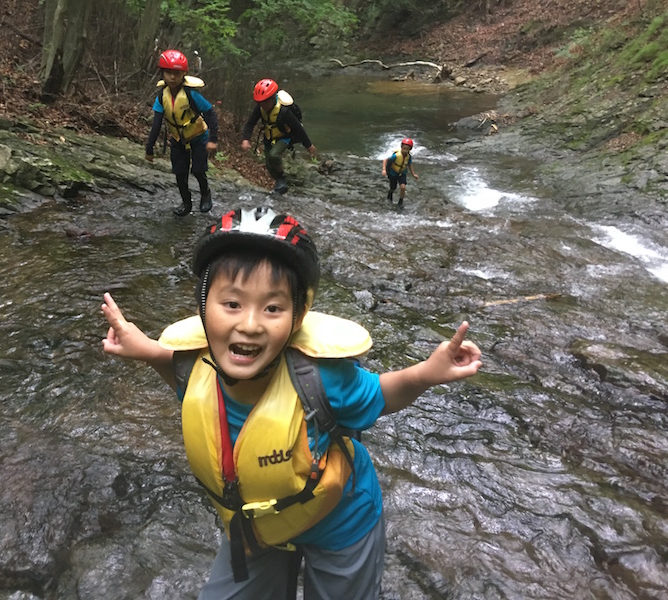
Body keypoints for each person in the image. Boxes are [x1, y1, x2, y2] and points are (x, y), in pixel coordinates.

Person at [101, 207, 482, 599]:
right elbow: (180, 375)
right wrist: (144, 349)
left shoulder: (321, 379)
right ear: (203, 306)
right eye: (231, 304)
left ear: (298, 316)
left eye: (272, 308)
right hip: (258, 528)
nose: (249, 324)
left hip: (341, 522)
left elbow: (382, 395)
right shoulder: (192, 365)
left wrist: (425, 373)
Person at [145, 49, 219, 216]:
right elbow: (156, 124)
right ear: (162, 73)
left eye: (176, 74)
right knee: (180, 173)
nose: (172, 77)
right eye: (169, 73)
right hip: (178, 139)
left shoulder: (191, 94)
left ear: (183, 74)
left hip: (199, 137)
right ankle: (186, 203)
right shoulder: (161, 96)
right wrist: (149, 148)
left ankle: (205, 193)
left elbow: (210, 113)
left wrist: (213, 139)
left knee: (198, 170)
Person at [241, 79, 316, 195]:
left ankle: (281, 178)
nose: (262, 105)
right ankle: (279, 182)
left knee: (274, 155)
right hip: (268, 136)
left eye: (265, 102)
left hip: (284, 137)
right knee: (269, 164)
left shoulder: (284, 111)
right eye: (260, 102)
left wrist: (308, 145)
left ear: (272, 98)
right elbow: (250, 123)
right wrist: (246, 139)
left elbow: (298, 129)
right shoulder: (260, 108)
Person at [381, 137, 419, 208]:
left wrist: (413, 174)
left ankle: (400, 201)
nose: (405, 150)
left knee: (403, 187)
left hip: (402, 173)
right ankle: (390, 193)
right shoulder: (396, 156)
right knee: (393, 187)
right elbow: (385, 160)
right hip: (393, 173)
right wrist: (384, 170)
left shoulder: (408, 156)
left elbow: (409, 164)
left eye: (407, 149)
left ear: (409, 150)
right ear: (401, 147)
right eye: (404, 148)